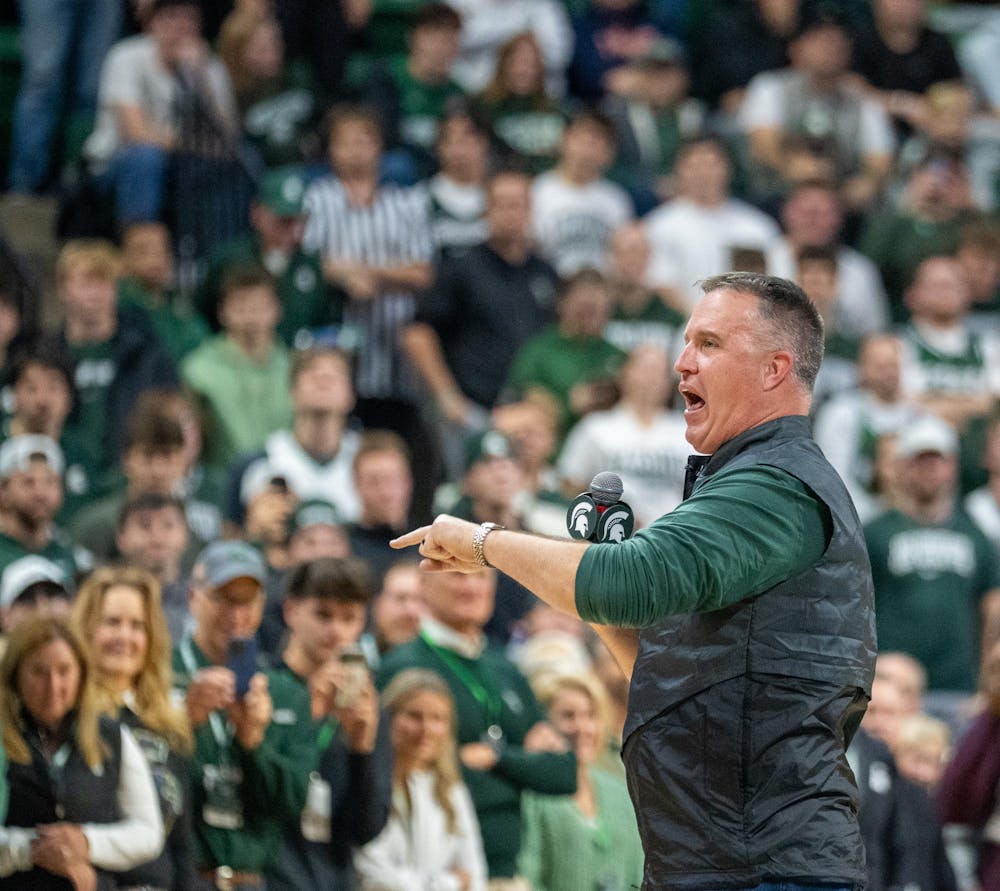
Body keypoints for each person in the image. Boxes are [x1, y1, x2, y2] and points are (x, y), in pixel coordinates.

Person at [392, 272, 878, 889]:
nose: (681, 364)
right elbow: (662, 669)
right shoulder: (744, 485)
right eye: (685, 343)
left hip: (766, 866)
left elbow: (629, 581)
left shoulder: (776, 487)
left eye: (707, 344)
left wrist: (483, 542)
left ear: (774, 368)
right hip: (712, 860)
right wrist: (589, 584)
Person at [377, 569, 577, 883]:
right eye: (457, 575)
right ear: (425, 584)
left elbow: (564, 773)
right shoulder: (402, 666)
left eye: (482, 577)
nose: (471, 587)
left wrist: (496, 758)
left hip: (509, 872)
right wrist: (523, 762)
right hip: (435, 874)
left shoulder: (507, 668)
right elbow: (404, 769)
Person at [172, 540, 316, 889]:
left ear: (263, 603)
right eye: (223, 598)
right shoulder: (164, 674)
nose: (236, 614)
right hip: (182, 875)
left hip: (252, 880)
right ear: (193, 598)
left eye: (247, 600)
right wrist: (182, 724)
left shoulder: (287, 693)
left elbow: (294, 804)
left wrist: (253, 744)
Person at [0, 616, 163, 891]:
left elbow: (148, 833)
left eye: (64, 671)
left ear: (82, 674)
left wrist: (86, 842)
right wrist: (36, 849)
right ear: (15, 675)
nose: (53, 687)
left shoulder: (112, 736)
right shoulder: (4, 739)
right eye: (39, 672)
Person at [70, 566, 201, 890]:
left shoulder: (169, 723)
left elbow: (181, 845)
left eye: (137, 626)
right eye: (112, 622)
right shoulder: (68, 720)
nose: (124, 637)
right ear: (85, 630)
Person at [268, 556, 392, 890]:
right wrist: (310, 717)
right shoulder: (264, 690)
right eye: (323, 614)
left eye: (349, 618)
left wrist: (362, 752)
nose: (336, 630)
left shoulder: (366, 704)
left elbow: (368, 830)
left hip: (334, 879)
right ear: (291, 611)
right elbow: (260, 796)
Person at [864, 414, 1000, 696]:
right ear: (901, 466)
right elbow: (856, 610)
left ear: (953, 466)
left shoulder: (975, 534)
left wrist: (987, 682)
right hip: (891, 690)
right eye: (920, 460)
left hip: (959, 687)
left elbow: (992, 609)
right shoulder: (874, 533)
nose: (930, 469)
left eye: (938, 460)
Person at [353, 669, 487, 891]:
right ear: (389, 717)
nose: (426, 729)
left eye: (437, 719)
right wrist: (449, 883)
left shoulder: (450, 788)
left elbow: (474, 873)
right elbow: (371, 872)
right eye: (415, 716)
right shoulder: (369, 781)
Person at [518, 672, 644, 891]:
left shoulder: (621, 791)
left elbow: (641, 871)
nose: (582, 728)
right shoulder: (533, 794)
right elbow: (527, 876)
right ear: (543, 723)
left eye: (591, 715)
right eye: (569, 716)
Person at [558, 343, 690, 528]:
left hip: (672, 537)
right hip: (613, 538)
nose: (651, 378)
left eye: (659, 371)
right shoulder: (596, 427)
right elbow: (569, 484)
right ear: (624, 373)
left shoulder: (686, 431)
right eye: (644, 368)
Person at [182, 264, 293, 470]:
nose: (250, 316)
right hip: (223, 486)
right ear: (222, 311)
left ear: (277, 310)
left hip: (284, 483)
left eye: (259, 306)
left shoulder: (294, 368)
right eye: (241, 305)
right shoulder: (199, 370)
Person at [531, 109, 633, 276]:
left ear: (610, 153)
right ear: (564, 140)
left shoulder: (616, 200)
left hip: (602, 292)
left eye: (598, 140)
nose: (589, 146)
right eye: (583, 138)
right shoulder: (539, 191)